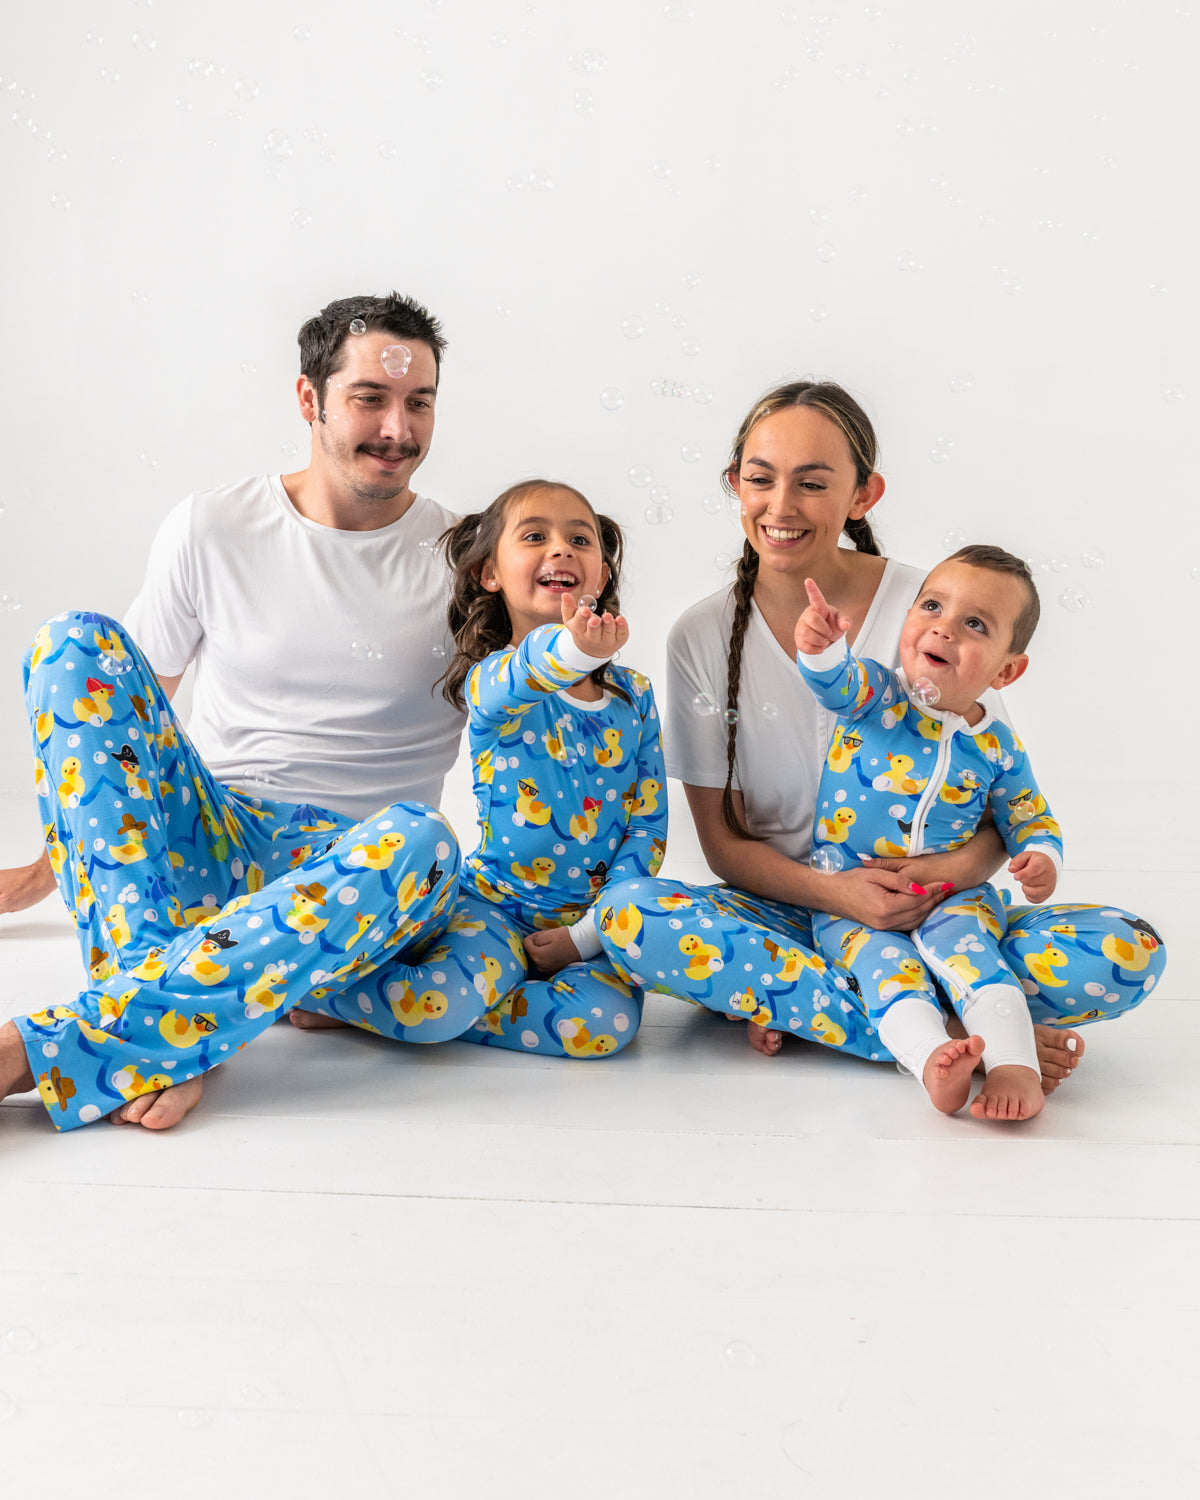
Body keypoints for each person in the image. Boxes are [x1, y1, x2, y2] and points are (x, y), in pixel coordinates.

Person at [590, 380, 1165, 1091]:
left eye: (813, 483)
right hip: (793, 917)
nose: (781, 506)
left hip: (942, 916)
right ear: (734, 484)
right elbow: (723, 847)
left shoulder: (942, 607)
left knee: (1128, 951)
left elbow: (1001, 805)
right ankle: (959, 1036)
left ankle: (820, 1010)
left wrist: (932, 883)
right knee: (627, 915)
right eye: (761, 479)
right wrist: (841, 897)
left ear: (864, 495)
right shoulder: (700, 635)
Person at [0, 292, 469, 1130]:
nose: (398, 429)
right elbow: (128, 717)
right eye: (370, 398)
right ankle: (162, 1027)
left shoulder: (470, 558)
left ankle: (65, 1048)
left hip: (358, 873)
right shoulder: (215, 524)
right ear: (309, 399)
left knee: (429, 842)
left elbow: (525, 721)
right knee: (73, 642)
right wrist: (43, 873)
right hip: (211, 839)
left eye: (419, 402)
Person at [292, 479, 667, 1056]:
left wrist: (584, 937)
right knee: (425, 1009)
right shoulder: (495, 678)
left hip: (591, 924)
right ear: (490, 573)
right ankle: (336, 995)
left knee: (604, 1029)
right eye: (535, 536)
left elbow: (647, 827)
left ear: (602, 574)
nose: (561, 548)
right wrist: (574, 652)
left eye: (580, 539)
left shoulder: (634, 697)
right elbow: (522, 678)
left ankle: (433, 1004)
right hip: (494, 908)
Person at [797, 548, 1066, 1121]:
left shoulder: (997, 746)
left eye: (974, 624)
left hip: (952, 897)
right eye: (932, 606)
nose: (943, 627)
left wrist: (1041, 857)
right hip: (852, 898)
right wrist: (820, 647)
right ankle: (931, 1059)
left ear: (1005, 671)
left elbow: (1029, 815)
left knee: (974, 958)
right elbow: (834, 682)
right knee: (885, 970)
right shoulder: (878, 697)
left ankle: (1016, 1063)